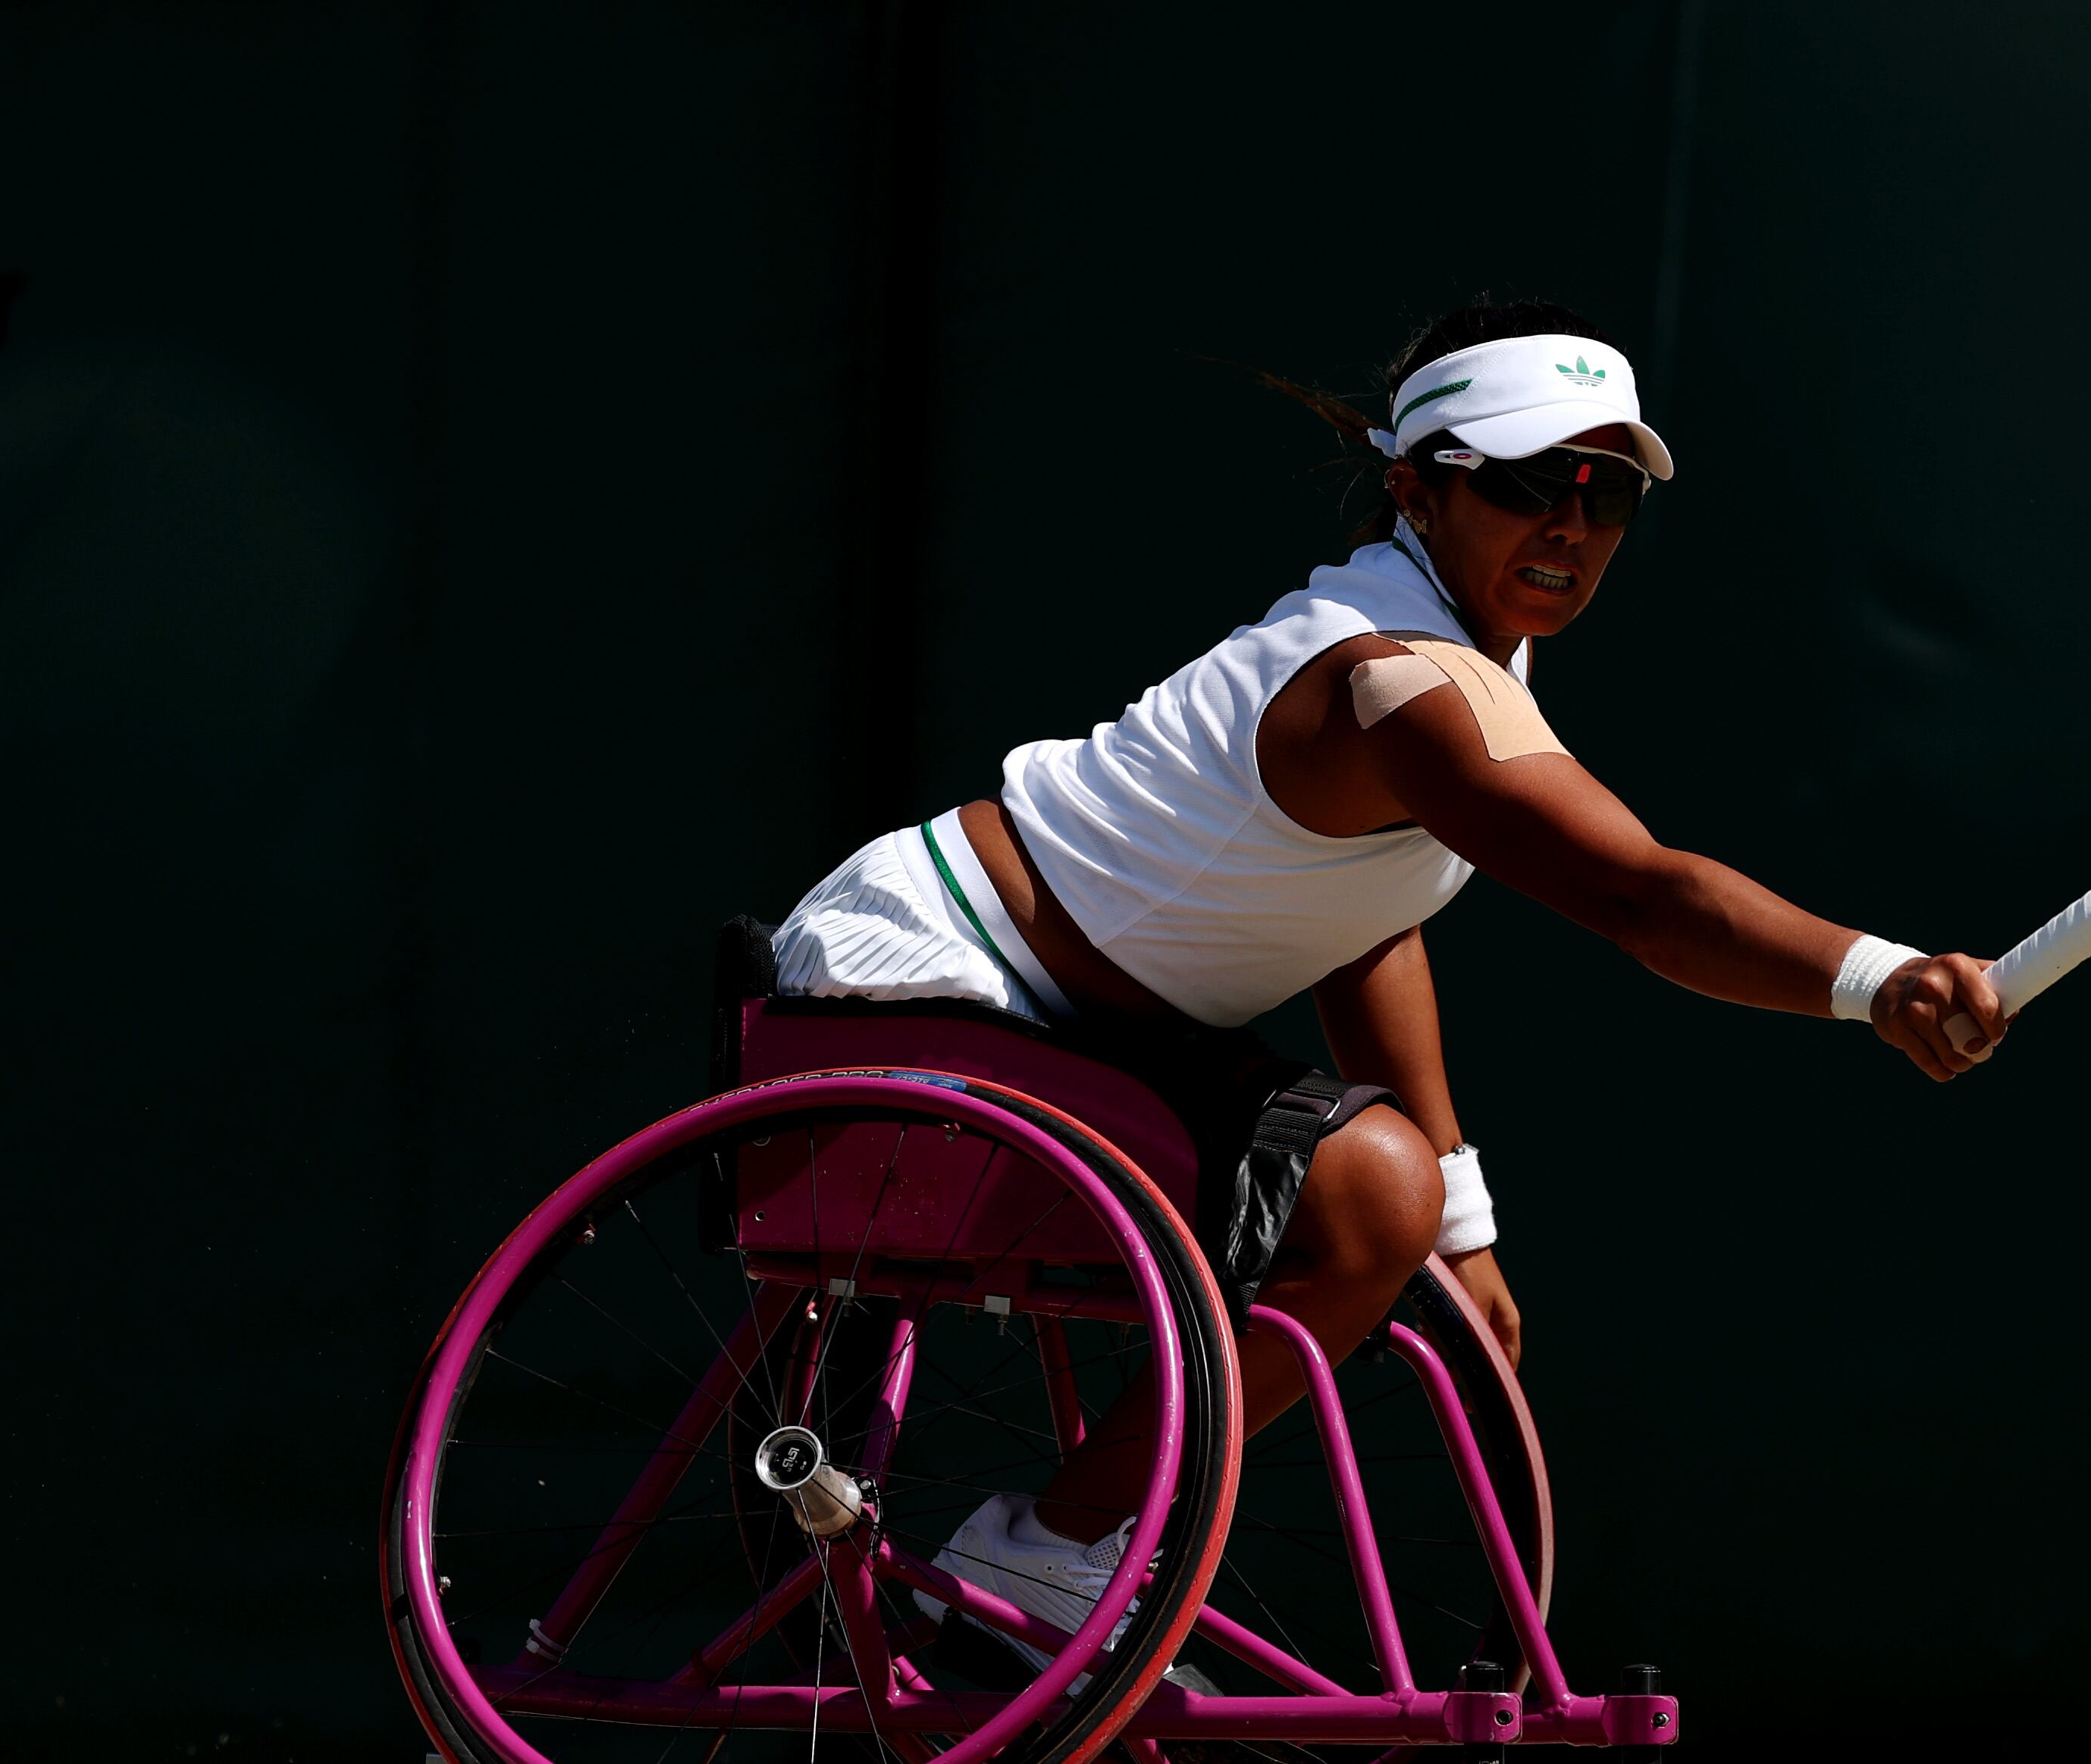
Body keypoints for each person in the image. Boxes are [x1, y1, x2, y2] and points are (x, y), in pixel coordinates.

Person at [771, 298, 2005, 1653]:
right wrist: (1878, 975)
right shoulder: (1396, 678)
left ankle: (1051, 1552)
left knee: (1381, 1201)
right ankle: (1050, 1557)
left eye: (1605, 496)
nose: (1570, 527)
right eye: (1528, 484)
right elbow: (1640, 896)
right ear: (1418, 488)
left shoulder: (1478, 653)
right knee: (1373, 1192)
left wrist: (1461, 1223)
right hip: (923, 985)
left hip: (1063, 1018)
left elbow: (1365, 925)